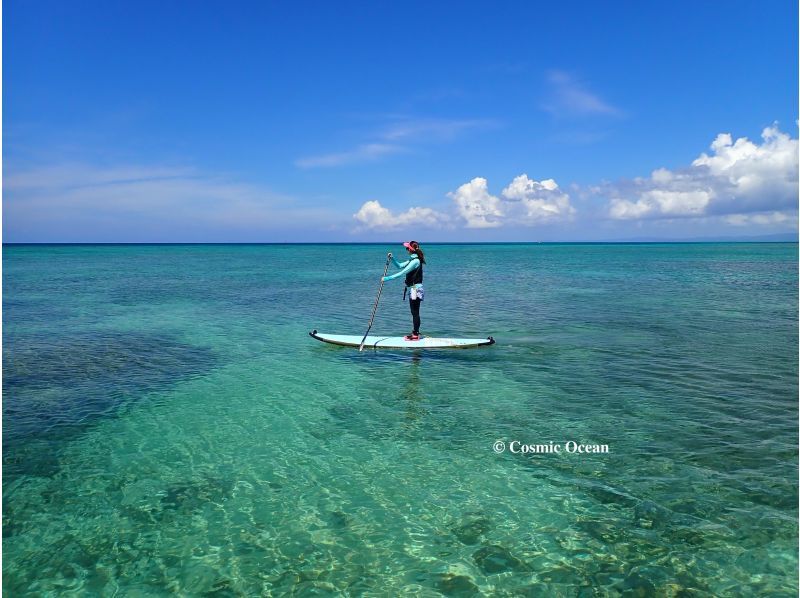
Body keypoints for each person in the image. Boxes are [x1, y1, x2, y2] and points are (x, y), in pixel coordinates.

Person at [382, 241, 426, 341]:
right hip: (413, 289)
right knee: (414, 312)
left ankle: (415, 335)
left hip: (415, 289)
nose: (406, 250)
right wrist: (392, 258)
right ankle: (415, 333)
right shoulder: (412, 259)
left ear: (411, 249)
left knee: (415, 312)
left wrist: (387, 278)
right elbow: (399, 266)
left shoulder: (415, 261)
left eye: (407, 248)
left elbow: (402, 272)